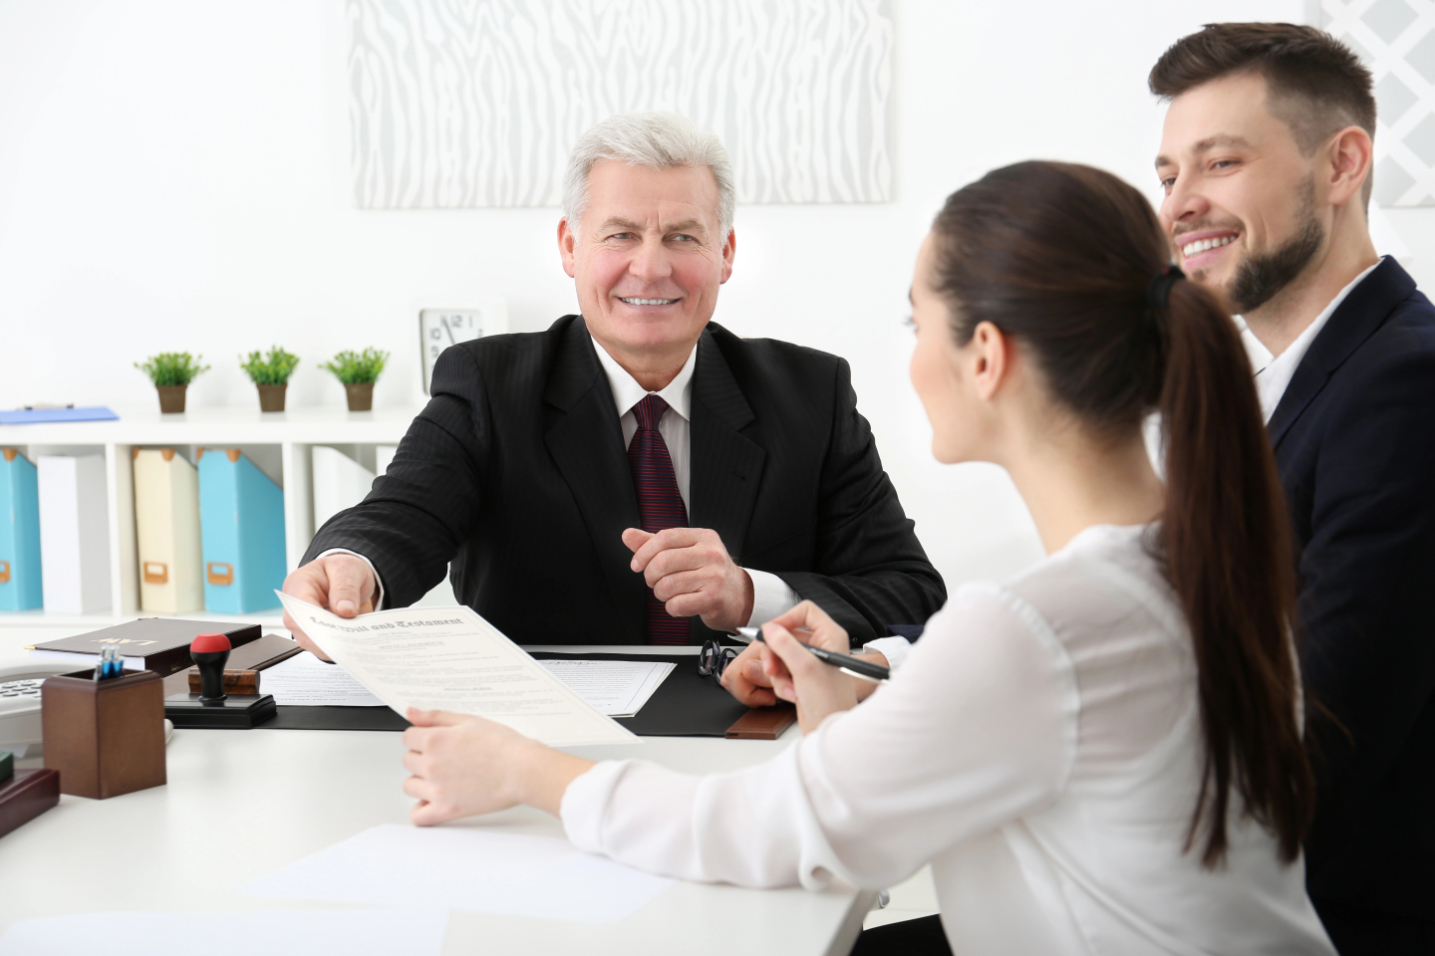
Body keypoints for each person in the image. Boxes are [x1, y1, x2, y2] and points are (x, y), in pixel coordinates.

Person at [391, 161, 1336, 954]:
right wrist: (858, 680)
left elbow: (763, 830)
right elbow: (1000, 691)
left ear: (985, 358)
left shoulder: (1032, 628)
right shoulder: (1194, 563)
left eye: (914, 323)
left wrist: (522, 771)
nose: (911, 358)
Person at [283, 112, 944, 652]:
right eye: (621, 234)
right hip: (534, 744)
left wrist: (750, 594)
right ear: (571, 247)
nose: (650, 267)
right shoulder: (489, 385)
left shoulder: (809, 393)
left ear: (726, 255)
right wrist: (353, 564)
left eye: (683, 237)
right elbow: (403, 512)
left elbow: (909, 589)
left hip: (750, 732)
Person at [1150, 24, 1435, 953]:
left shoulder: (1405, 383)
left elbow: (1317, 727)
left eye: (1218, 163)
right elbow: (1156, 609)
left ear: (1342, 163)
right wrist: (883, 659)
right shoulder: (1271, 380)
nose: (1180, 205)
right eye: (1166, 177)